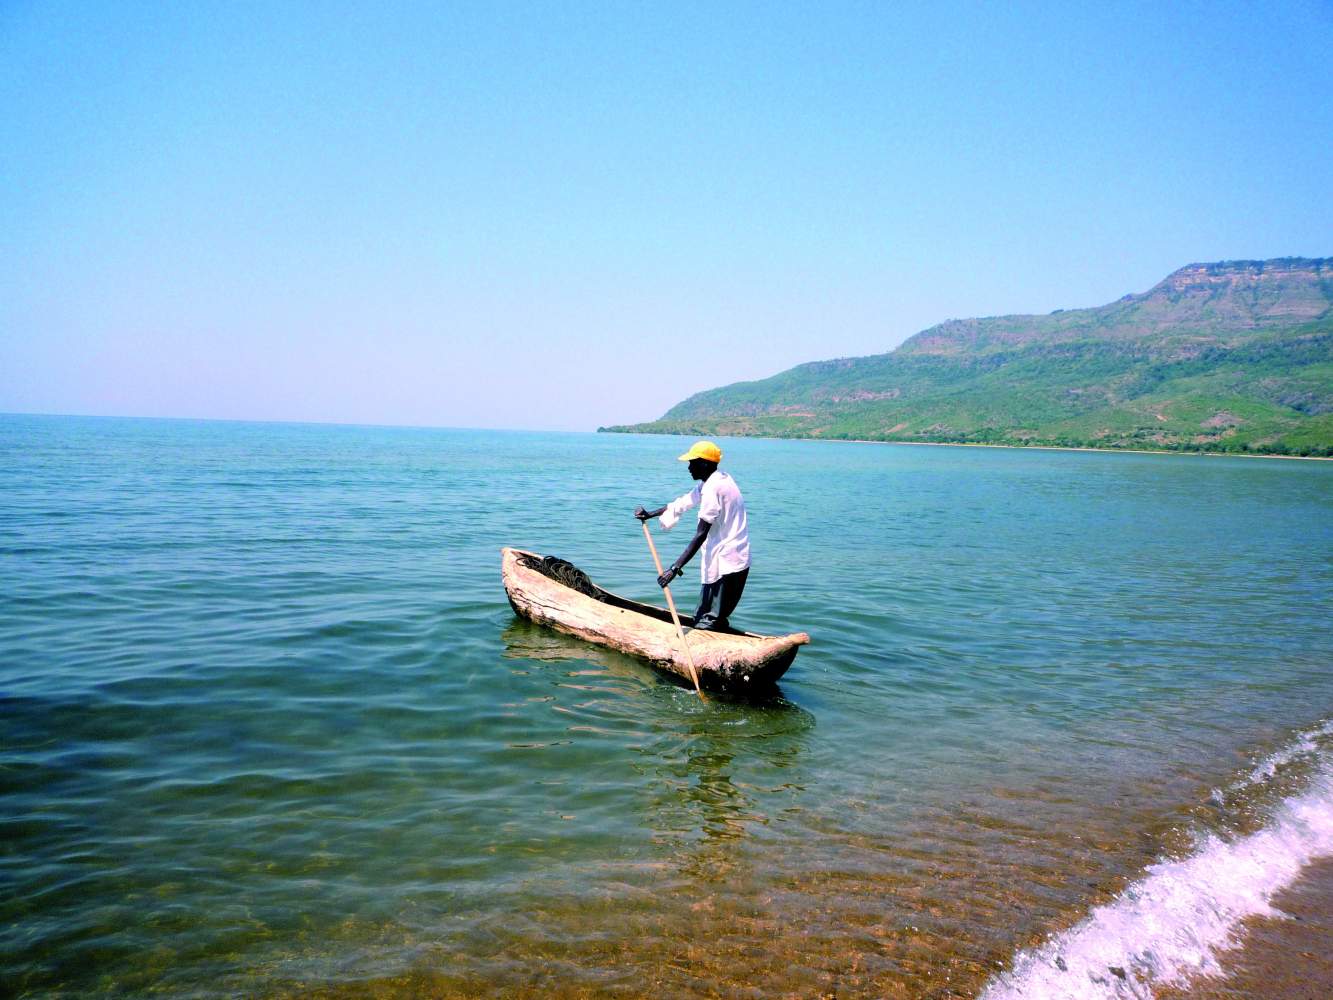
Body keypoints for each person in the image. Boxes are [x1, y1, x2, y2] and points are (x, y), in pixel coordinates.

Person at [635, 440, 750, 632]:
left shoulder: (714, 488)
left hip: (728, 563)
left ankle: (711, 650)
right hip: (727, 561)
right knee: (703, 617)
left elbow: (700, 535)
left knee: (709, 621)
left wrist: (674, 569)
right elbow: (683, 503)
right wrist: (650, 514)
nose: (689, 467)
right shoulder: (715, 480)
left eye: (692, 462)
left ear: (704, 463)